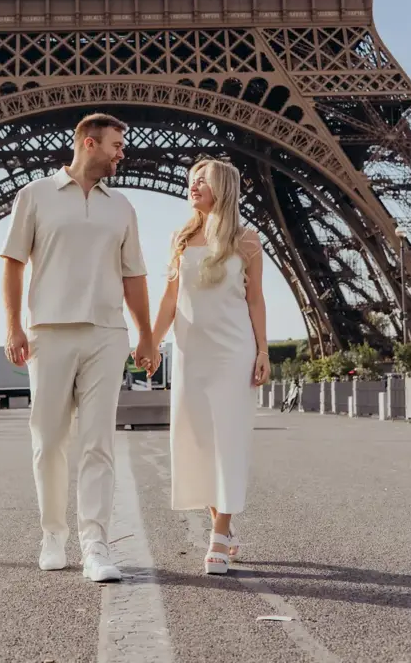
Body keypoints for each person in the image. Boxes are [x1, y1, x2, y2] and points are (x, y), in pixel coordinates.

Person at [1, 113, 155, 583]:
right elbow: (12, 264)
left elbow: (134, 276)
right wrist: (14, 327)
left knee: (97, 443)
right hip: (49, 331)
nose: (121, 153)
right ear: (89, 144)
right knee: (48, 441)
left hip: (106, 333)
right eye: (115, 146)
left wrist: (146, 334)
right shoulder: (34, 196)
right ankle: (53, 534)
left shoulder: (121, 206)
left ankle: (95, 544)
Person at [151, 158, 270, 575]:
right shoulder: (180, 238)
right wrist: (149, 340)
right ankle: (221, 519)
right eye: (191, 180)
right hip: (189, 353)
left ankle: (220, 531)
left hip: (232, 352)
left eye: (202, 180)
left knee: (228, 439)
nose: (193, 186)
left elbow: (255, 300)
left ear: (224, 186)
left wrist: (263, 351)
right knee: (198, 441)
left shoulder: (247, 241)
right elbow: (169, 300)